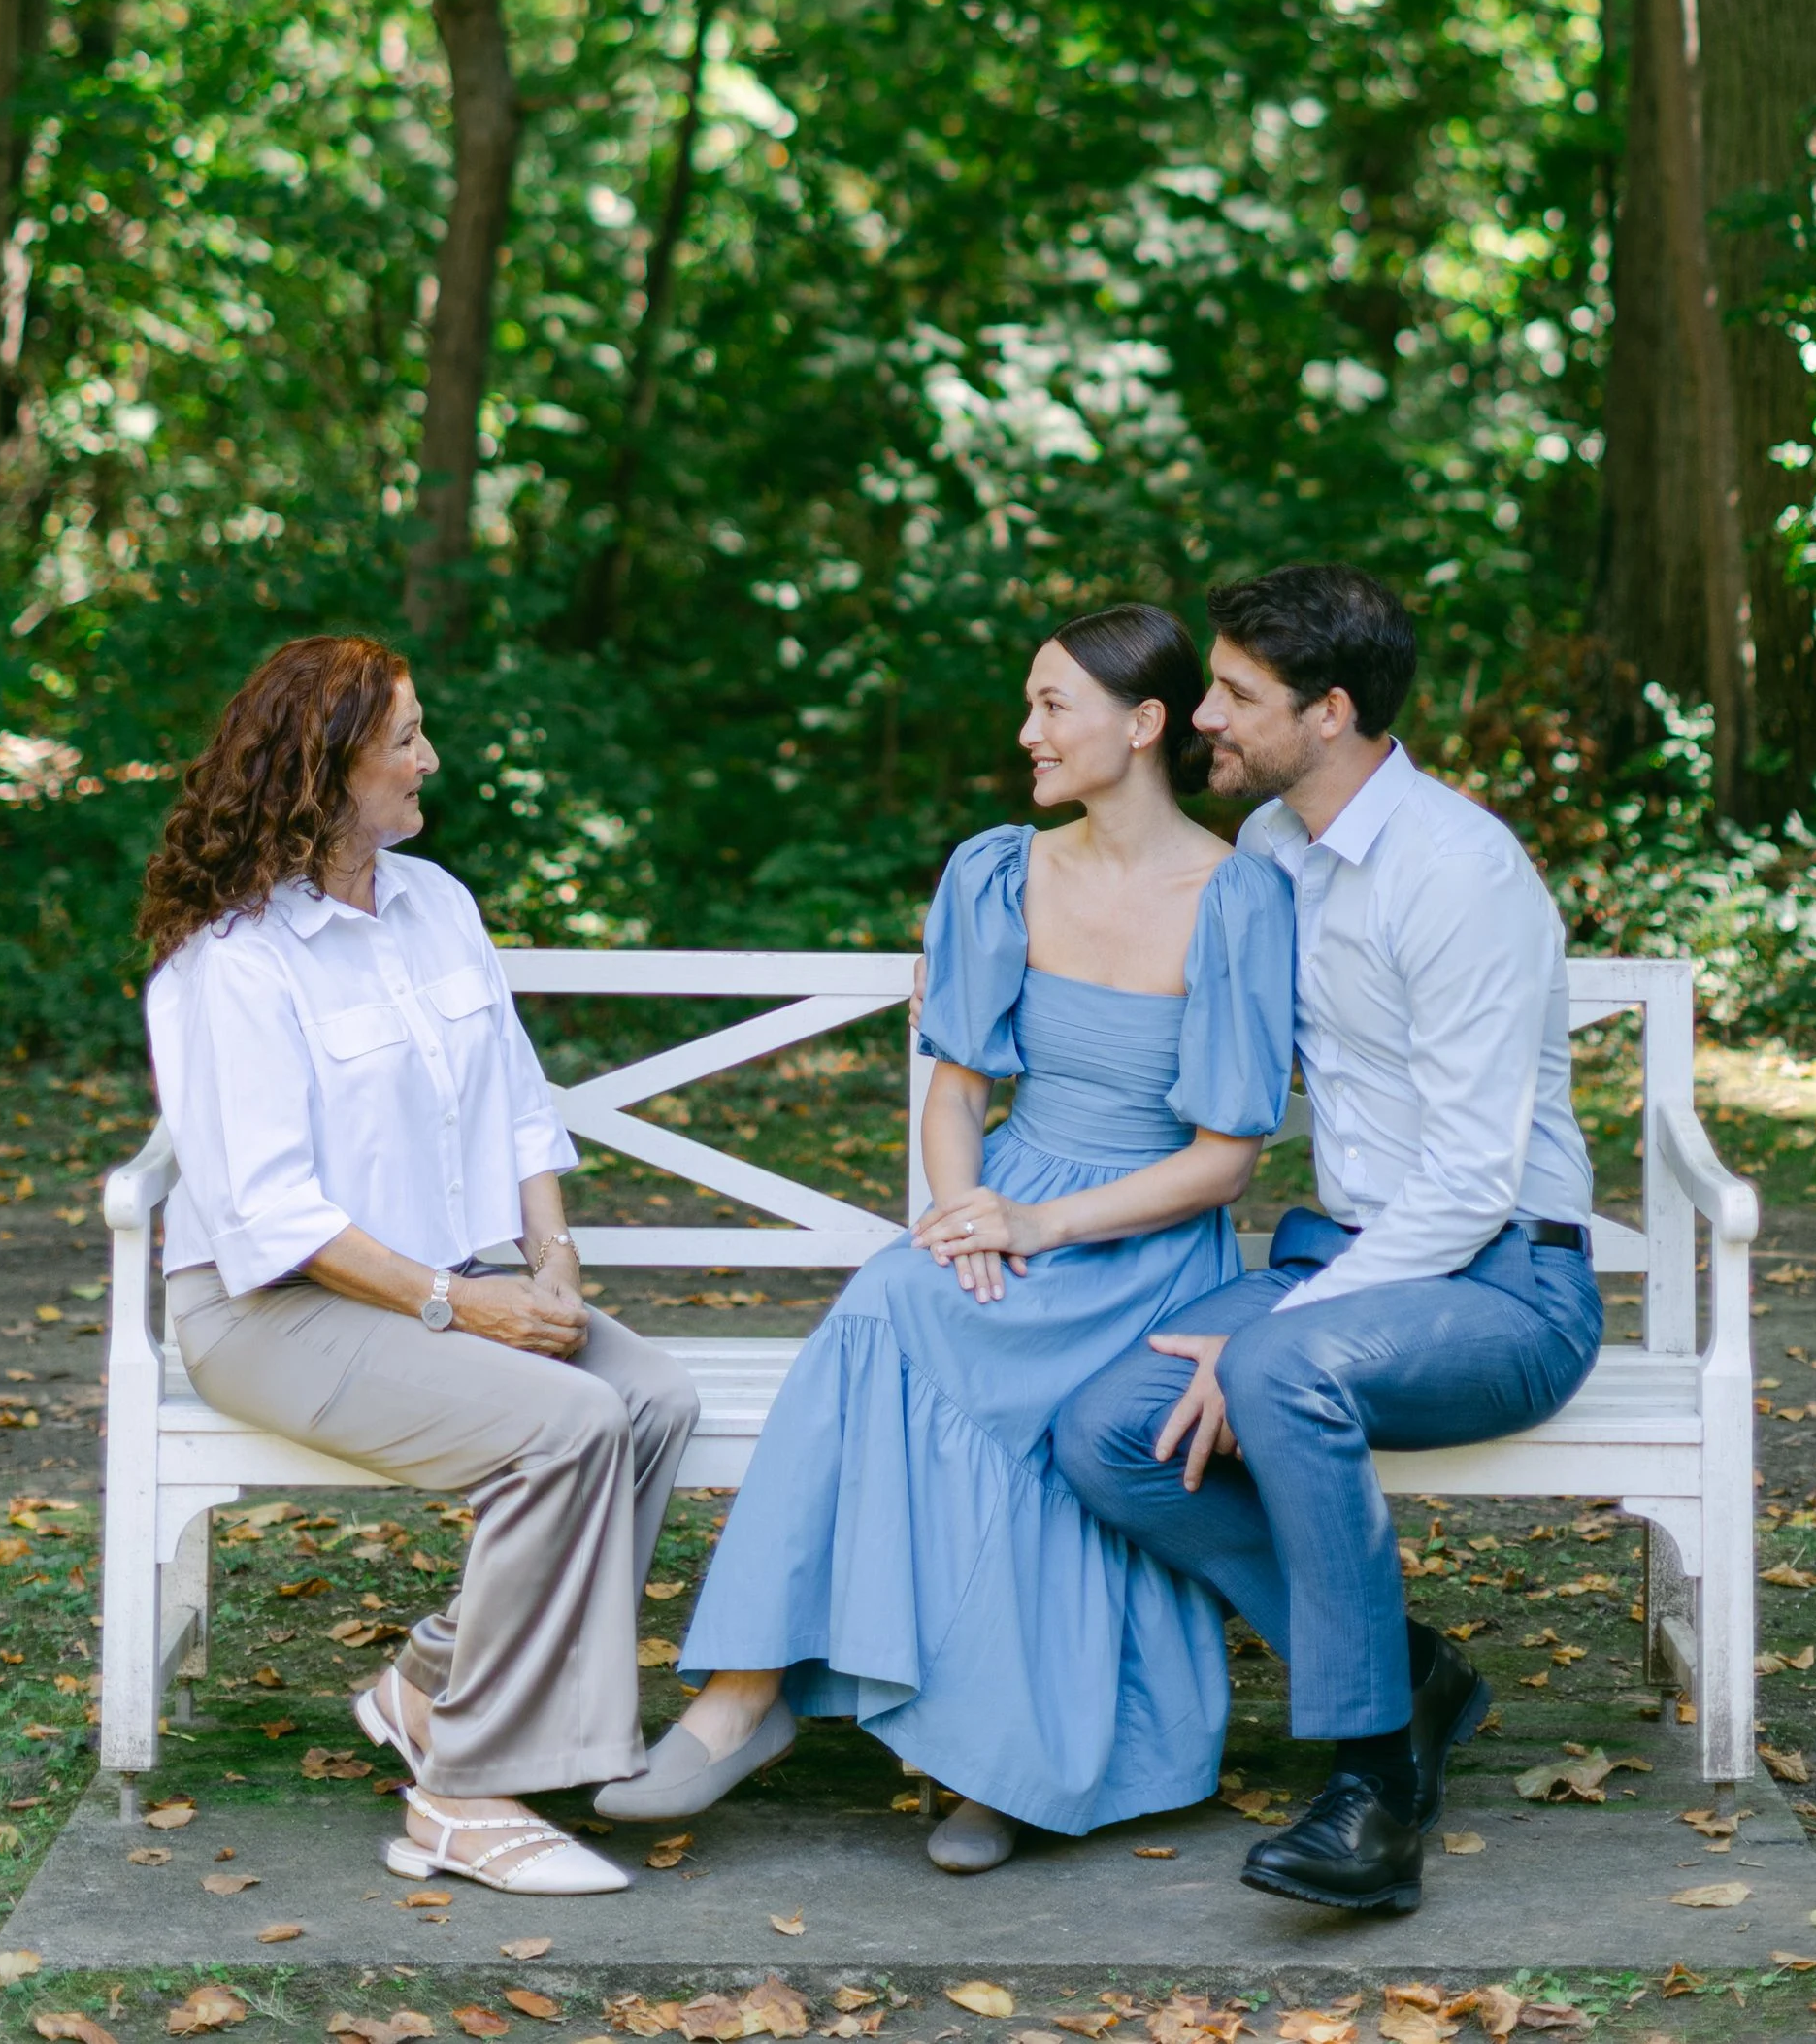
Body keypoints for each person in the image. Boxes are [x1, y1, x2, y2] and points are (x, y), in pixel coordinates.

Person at [599, 604, 1296, 1873]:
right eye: (1027, 704)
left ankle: (1002, 1762)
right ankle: (742, 1698)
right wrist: (964, 1214)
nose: (1025, 731)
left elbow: (1226, 1157)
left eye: (1051, 705)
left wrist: (1043, 1222)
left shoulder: (1238, 895)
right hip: (1009, 1199)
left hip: (1144, 1233)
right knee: (891, 1303)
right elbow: (959, 1090)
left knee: (1043, 1395)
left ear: (1142, 726)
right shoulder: (996, 869)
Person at [1052, 561, 1601, 1921]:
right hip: (1342, 1263)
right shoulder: (1268, 853)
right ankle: (1409, 1672)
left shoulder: (1458, 871)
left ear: (1333, 711)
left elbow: (1474, 1176)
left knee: (1280, 1373)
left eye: (1237, 695)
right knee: (1105, 1430)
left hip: (1509, 1284)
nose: (1203, 720)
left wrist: (1278, 1332)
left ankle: (1373, 1794)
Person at [141, 633, 698, 1899]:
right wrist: (462, 1302)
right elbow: (274, 1213)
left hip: (454, 1276)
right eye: (404, 737)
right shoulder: (233, 960)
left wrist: (549, 1266)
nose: (428, 756)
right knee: (563, 1423)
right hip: (272, 1309)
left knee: (650, 1395)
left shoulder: (435, 901)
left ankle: (438, 1680)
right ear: (325, 768)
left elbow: (514, 1106)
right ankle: (462, 1794)